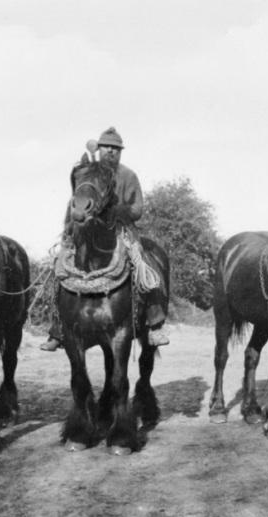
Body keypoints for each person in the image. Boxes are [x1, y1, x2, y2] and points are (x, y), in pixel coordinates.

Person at [40, 127, 170, 351]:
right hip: (83, 233)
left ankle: (154, 323)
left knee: (145, 266)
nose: (111, 151)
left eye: (115, 148)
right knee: (58, 270)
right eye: (106, 147)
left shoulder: (128, 175)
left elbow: (138, 208)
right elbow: (74, 202)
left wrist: (117, 211)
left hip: (122, 230)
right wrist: (67, 233)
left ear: (120, 152)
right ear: (98, 149)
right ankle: (57, 329)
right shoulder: (86, 173)